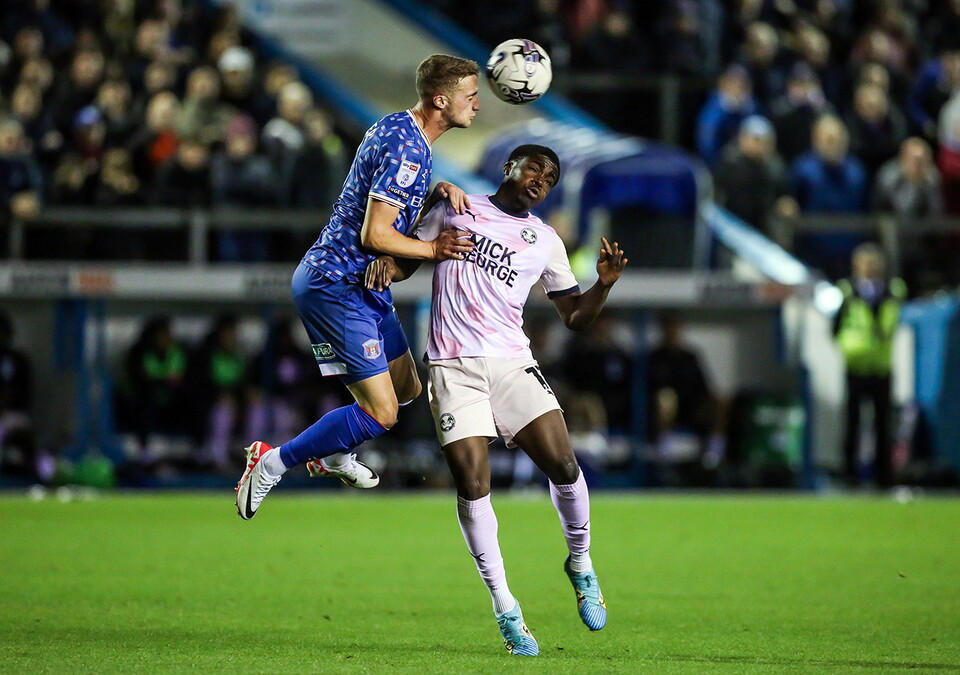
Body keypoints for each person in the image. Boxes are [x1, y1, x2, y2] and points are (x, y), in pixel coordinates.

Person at [363, 145, 627, 655]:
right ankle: (506, 608)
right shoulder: (457, 207)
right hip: (452, 366)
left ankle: (581, 562)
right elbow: (411, 259)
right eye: (534, 168)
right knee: (474, 482)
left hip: (511, 364)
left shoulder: (545, 240)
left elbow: (573, 316)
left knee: (566, 465)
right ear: (509, 167)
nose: (541, 180)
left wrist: (604, 285)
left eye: (550, 177)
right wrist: (386, 267)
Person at [235, 54, 480, 519]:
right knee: (383, 412)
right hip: (337, 283)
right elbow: (375, 234)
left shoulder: (403, 133)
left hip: (363, 284)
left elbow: (390, 213)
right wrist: (434, 249)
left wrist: (435, 193)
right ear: (441, 100)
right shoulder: (408, 148)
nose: (478, 105)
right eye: (471, 95)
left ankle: (333, 453)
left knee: (407, 388)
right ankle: (271, 462)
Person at [832, 243, 906, 488]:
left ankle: (884, 477)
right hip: (856, 366)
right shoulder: (848, 292)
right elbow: (836, 327)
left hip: (881, 366)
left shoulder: (893, 291)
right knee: (852, 421)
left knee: (883, 423)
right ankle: (849, 474)